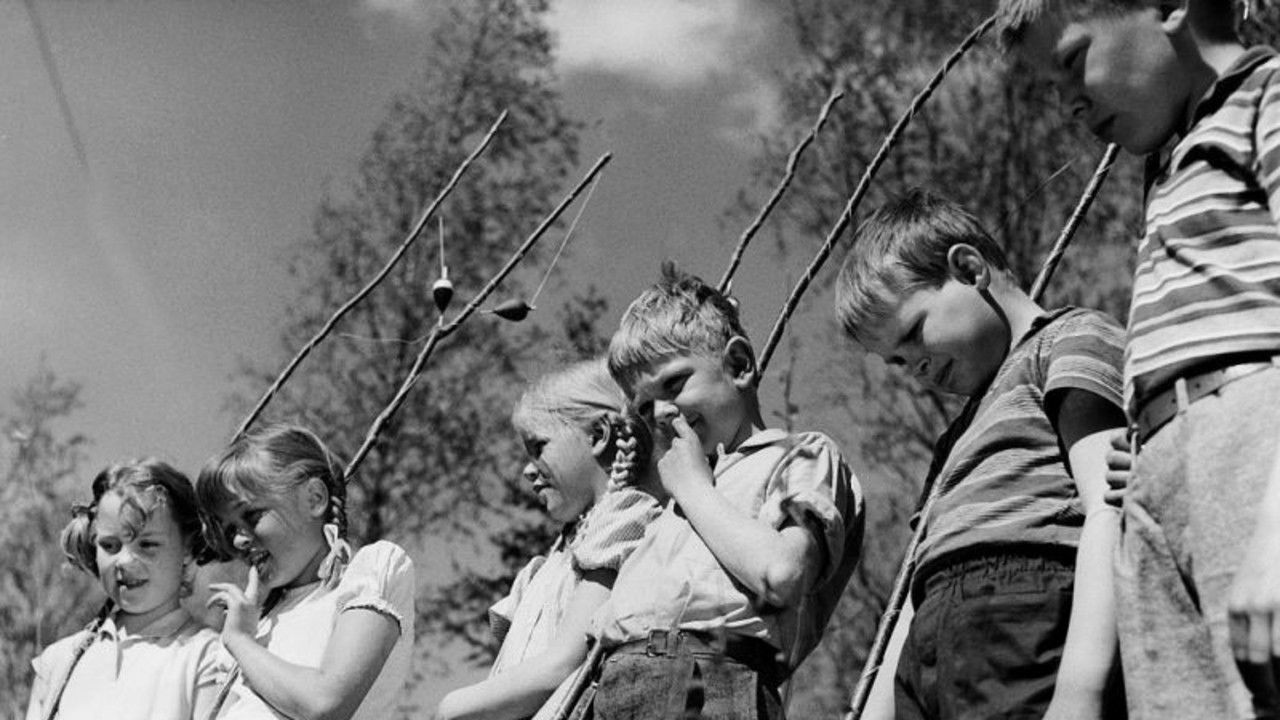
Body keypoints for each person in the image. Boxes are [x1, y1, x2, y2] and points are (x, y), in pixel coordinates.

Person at [998, 1, 1280, 716]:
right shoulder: (1167, 163)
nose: (1066, 105)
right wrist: (1149, 429)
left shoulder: (1266, 97)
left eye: (1070, 61)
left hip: (1255, 453)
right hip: (1156, 490)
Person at [833, 189, 1127, 720]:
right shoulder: (953, 442)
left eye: (915, 332)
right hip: (930, 648)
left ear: (969, 269)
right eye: (899, 362)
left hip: (1023, 619)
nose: (916, 366)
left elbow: (1112, 507)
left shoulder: (1067, 341)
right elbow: (912, 593)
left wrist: (1081, 689)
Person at [566, 262, 863, 719]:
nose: (661, 413)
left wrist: (693, 489)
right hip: (610, 686)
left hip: (703, 683)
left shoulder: (798, 454)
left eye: (675, 383)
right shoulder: (675, 498)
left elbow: (782, 573)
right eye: (645, 407)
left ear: (739, 364)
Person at [436, 359, 661, 720]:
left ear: (599, 435)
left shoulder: (626, 518)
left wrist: (449, 708)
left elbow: (562, 664)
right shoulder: (555, 558)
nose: (527, 469)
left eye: (539, 447)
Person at [196, 424, 413, 720]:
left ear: (314, 499)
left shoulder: (371, 571)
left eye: (252, 516)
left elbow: (325, 703)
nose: (238, 540)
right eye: (231, 528)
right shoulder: (258, 624)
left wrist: (239, 642)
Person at [26, 459, 225, 720]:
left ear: (187, 547)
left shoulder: (208, 657)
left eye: (147, 544)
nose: (125, 561)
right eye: (110, 546)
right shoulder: (59, 661)